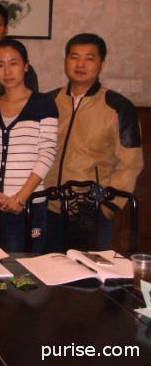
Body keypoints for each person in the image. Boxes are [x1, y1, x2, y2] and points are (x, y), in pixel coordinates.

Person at [44, 33, 143, 251]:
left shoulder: (118, 106)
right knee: (44, 266)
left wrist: (109, 205)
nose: (80, 64)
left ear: (102, 64)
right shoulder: (49, 101)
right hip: (47, 205)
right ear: (66, 61)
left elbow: (130, 163)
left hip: (91, 208)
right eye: (74, 57)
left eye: (89, 58)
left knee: (86, 269)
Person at [0, 38, 58, 253]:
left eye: (13, 63)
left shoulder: (44, 103)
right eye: (0, 65)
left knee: (22, 266)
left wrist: (21, 197)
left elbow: (47, 152)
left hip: (27, 203)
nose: (7, 71)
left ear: (26, 66)